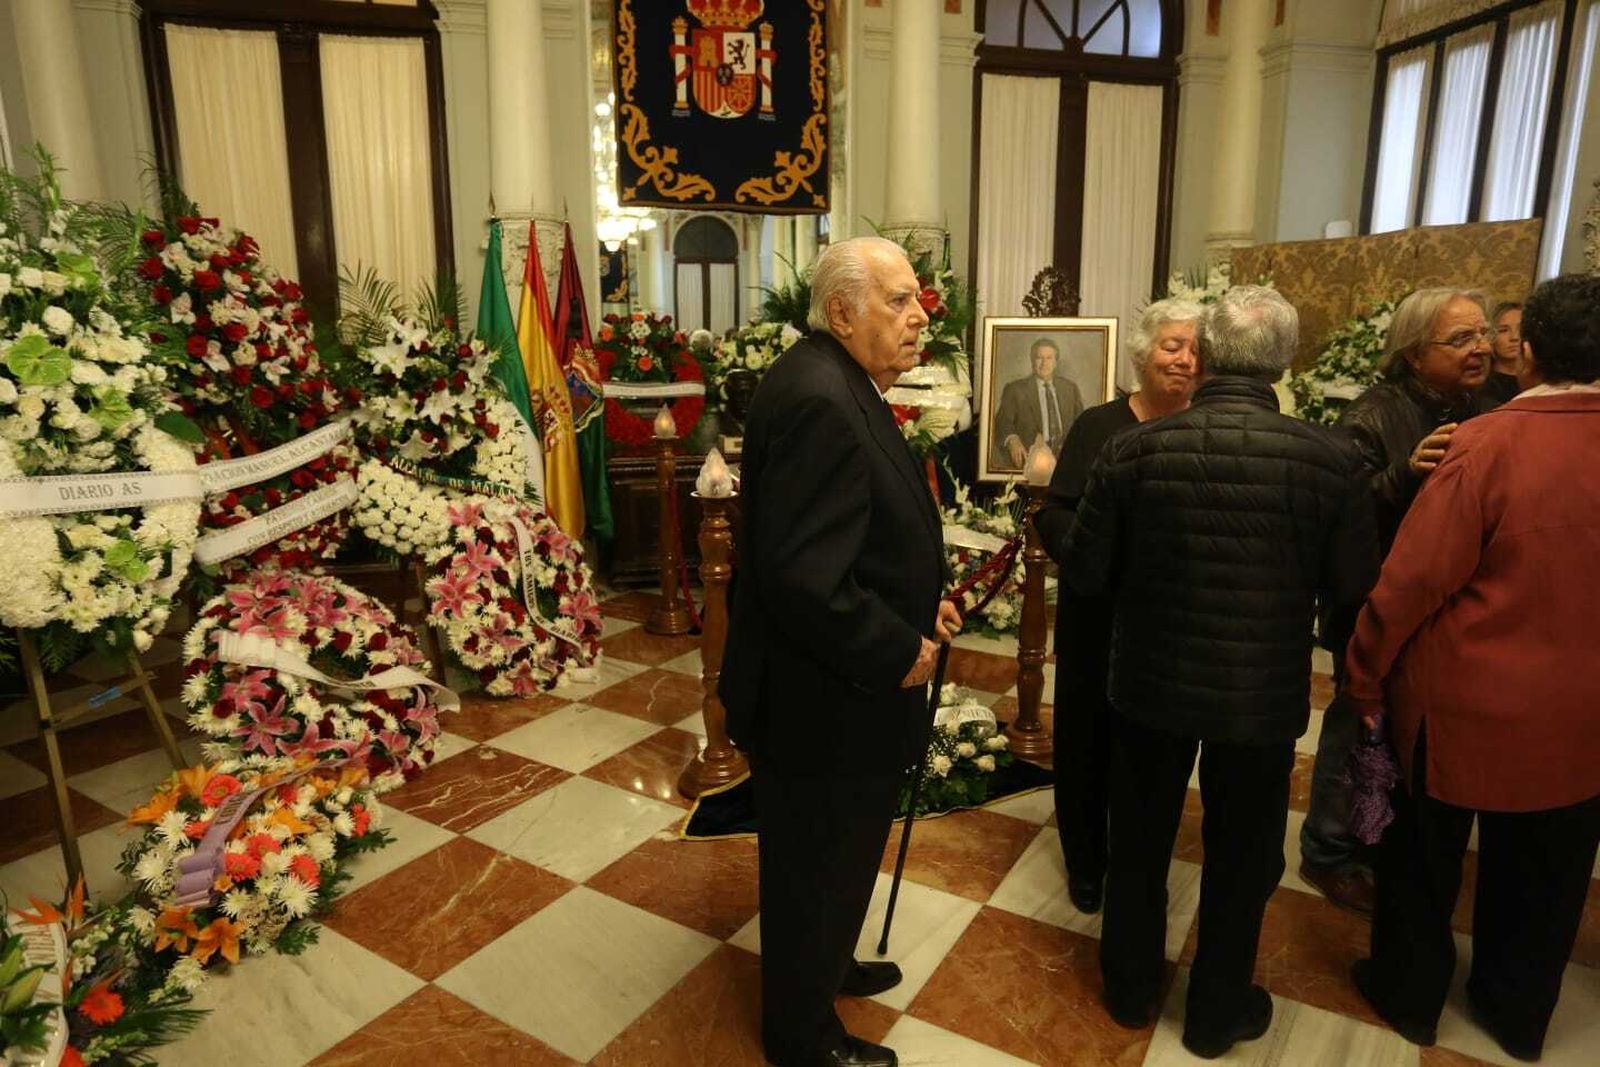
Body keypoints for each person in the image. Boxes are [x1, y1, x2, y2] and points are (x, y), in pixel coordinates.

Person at [1063, 286, 1376, 1059]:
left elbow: (1088, 571)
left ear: (1204, 351)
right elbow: (1353, 588)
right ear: (1284, 361)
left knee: (1138, 841)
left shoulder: (1135, 450)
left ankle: (1130, 991)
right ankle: (1216, 1012)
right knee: (1243, 854)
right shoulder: (1330, 457)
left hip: (1149, 683)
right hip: (1259, 690)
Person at [1343, 274, 1600, 1061]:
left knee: (1422, 865)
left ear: (1527, 351)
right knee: (1547, 875)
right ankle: (1517, 1013)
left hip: (1464, 706)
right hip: (1582, 712)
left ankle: (1409, 994)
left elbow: (1412, 582)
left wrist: (1363, 673)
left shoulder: (1485, 443)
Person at [719, 236, 962, 1067]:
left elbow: (857, 539)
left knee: (838, 854)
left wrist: (929, 603)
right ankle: (801, 1034)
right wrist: (900, 646)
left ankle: (829, 960)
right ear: (841, 311)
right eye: (898, 300)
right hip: (823, 697)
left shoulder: (840, 380)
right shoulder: (823, 397)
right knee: (814, 861)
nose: (918, 313)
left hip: (838, 687)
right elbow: (804, 576)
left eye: (915, 298)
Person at [1298, 287, 1502, 915]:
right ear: (1414, 355)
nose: (1482, 348)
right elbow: (1335, 507)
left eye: (1483, 334)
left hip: (1450, 607)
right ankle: (1328, 851)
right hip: (1373, 601)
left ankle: (1380, 835)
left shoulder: (1488, 405)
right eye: (1460, 339)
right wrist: (1403, 475)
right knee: (1357, 725)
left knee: (1411, 728)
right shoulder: (1374, 413)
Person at [1035, 296, 1203, 916]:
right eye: (1171, 346)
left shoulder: (1207, 426)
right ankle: (1086, 861)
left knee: (1151, 752)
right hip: (1097, 617)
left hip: (1172, 627)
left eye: (1194, 349)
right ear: (1143, 354)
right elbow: (1053, 512)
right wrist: (1095, 554)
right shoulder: (1099, 426)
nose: (1184, 360)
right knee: (1085, 743)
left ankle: (1137, 861)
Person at [990, 336, 1084, 469]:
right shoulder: (1015, 389)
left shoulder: (1070, 388)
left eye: (1049, 358)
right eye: (1039, 358)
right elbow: (1002, 422)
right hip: (1029, 459)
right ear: (1032, 361)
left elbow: (1082, 422)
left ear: (1056, 362)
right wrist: (1012, 438)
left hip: (1066, 459)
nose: (1044, 363)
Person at [1484, 300, 1522, 405]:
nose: (1514, 337)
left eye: (1521, 329)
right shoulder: (1483, 387)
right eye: (1503, 330)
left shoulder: (1541, 379)